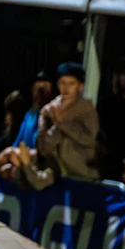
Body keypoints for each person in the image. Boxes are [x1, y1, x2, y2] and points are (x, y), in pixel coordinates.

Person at [10, 62, 100, 190]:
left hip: (80, 172)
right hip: (55, 168)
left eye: (71, 83)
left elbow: (88, 139)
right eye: (63, 82)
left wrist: (62, 123)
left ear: (80, 86)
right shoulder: (49, 109)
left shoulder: (86, 109)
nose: (66, 88)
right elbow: (44, 147)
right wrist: (50, 123)